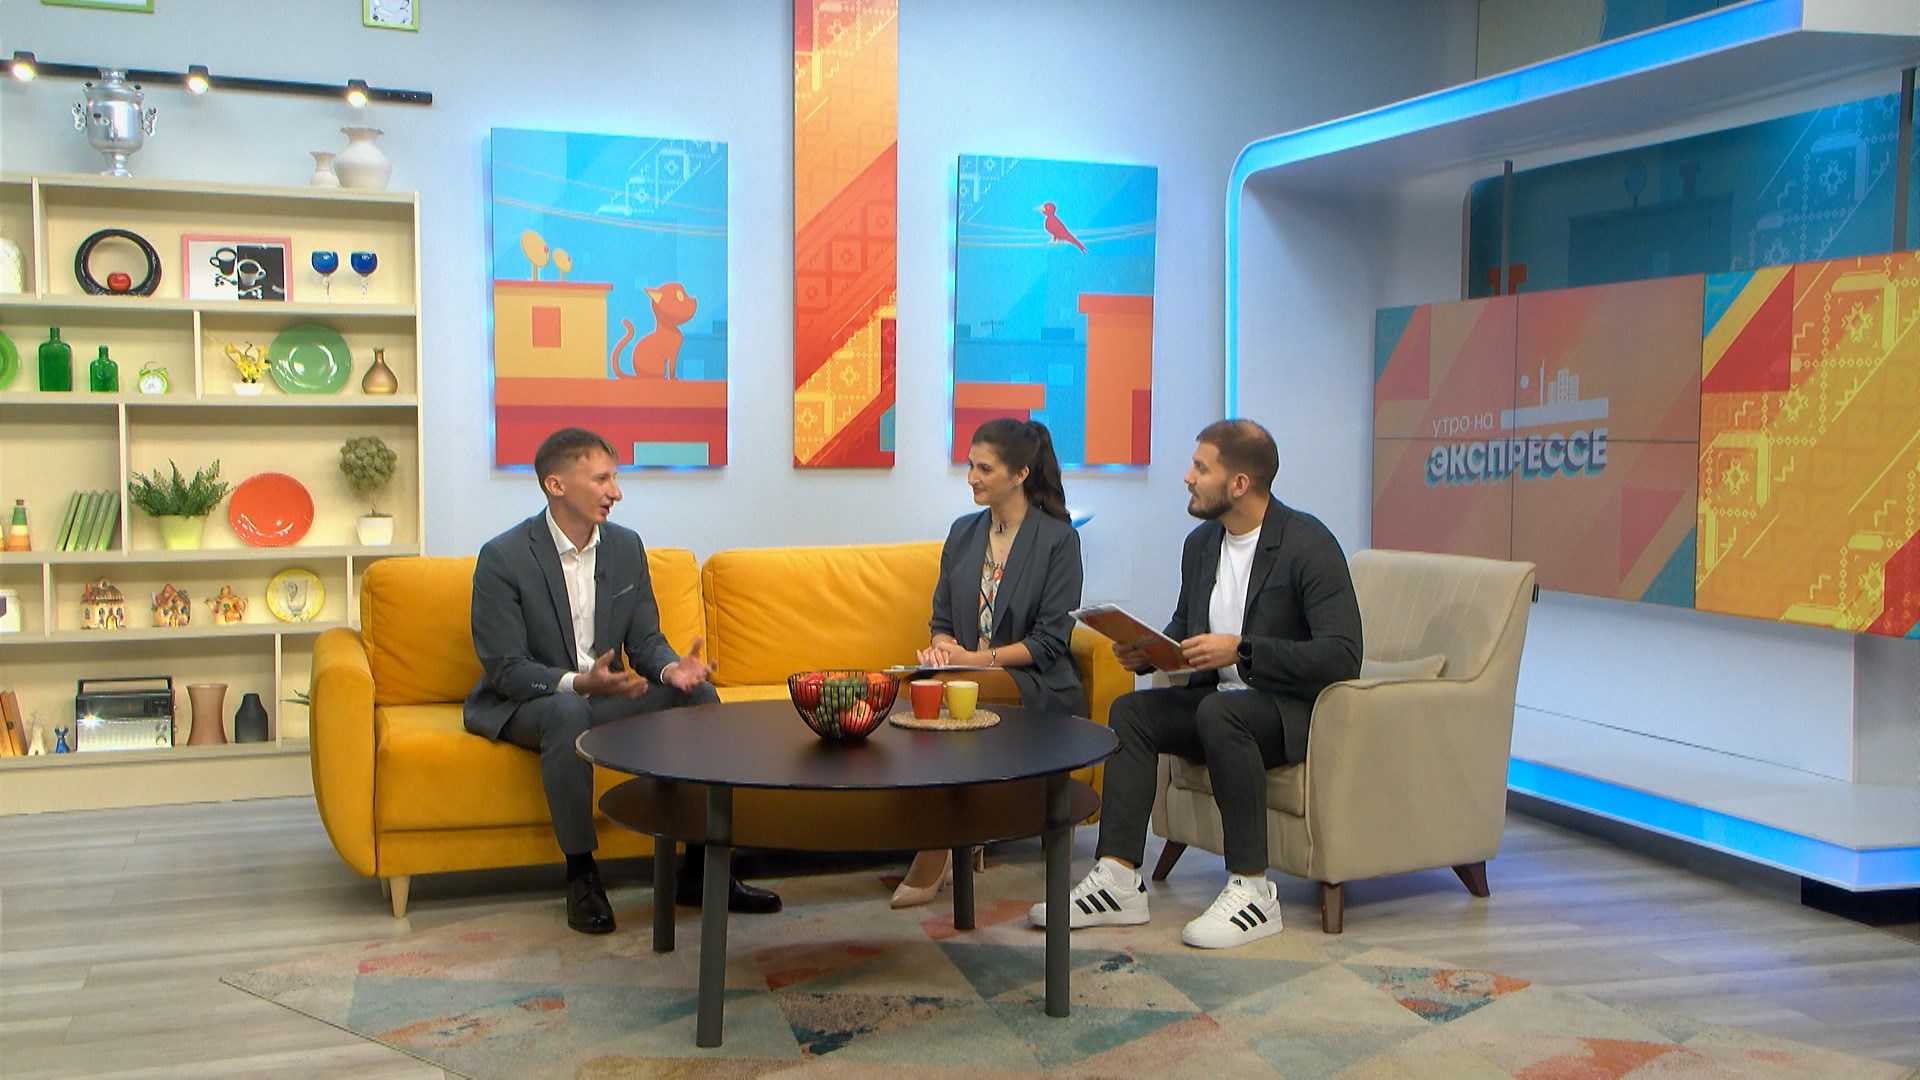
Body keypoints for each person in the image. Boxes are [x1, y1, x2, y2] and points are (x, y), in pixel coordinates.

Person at [1029, 419, 1361, 948]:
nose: (1187, 477)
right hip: (1219, 704)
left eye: (1201, 468)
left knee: (1219, 713)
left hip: (1288, 712)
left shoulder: (1308, 544)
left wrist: (1243, 650)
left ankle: (1253, 890)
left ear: (1239, 484)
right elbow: (1185, 632)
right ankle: (1118, 879)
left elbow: (1342, 656)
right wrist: (1147, 652)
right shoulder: (1201, 544)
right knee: (1131, 713)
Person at [465, 427, 781, 934]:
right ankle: (581, 875)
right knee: (567, 710)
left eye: (615, 478)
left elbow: (646, 640)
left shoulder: (626, 547)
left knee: (696, 695)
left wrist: (671, 669)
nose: (616, 492)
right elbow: (507, 669)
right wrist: (578, 683)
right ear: (556, 485)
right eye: (602, 479)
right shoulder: (503, 558)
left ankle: (703, 870)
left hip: (605, 697)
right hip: (533, 701)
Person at [896, 418, 1087, 907]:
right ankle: (955, 833)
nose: (971, 478)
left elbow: (1050, 641)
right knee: (916, 690)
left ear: (1020, 474)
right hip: (966, 673)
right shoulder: (963, 533)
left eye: (984, 469)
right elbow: (941, 618)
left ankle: (937, 847)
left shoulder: (1058, 540)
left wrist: (973, 660)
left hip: (1036, 682)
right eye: (970, 466)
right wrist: (942, 649)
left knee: (952, 690)